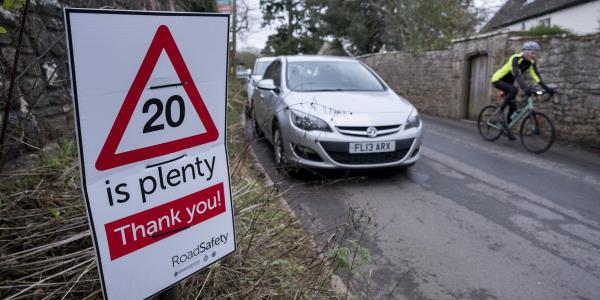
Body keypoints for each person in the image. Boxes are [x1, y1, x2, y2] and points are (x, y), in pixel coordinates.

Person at [491, 41, 554, 140]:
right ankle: (500, 111)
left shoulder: (531, 62)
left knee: (513, 107)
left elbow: (536, 76)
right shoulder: (515, 58)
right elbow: (517, 74)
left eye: (535, 53)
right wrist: (525, 88)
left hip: (509, 83)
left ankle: (505, 128)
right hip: (498, 80)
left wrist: (547, 88)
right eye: (532, 53)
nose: (534, 55)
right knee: (514, 90)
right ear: (526, 52)